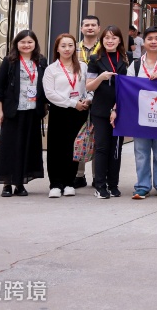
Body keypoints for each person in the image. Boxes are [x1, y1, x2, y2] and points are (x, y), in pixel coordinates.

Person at [0, 30, 47, 197]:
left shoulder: (41, 61)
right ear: (16, 43)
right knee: (9, 148)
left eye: (30, 42)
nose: (26, 45)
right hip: (13, 112)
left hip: (32, 111)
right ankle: (7, 184)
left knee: (27, 148)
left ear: (35, 44)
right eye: (23, 42)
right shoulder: (10, 61)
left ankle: (20, 183)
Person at [43, 33, 90, 198]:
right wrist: (72, 103)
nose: (67, 49)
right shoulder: (51, 69)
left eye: (70, 45)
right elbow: (50, 93)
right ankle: (55, 184)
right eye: (63, 46)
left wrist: (88, 100)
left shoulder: (82, 66)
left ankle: (70, 182)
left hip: (79, 112)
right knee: (56, 148)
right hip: (59, 111)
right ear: (57, 48)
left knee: (74, 148)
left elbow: (88, 87)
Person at [128, 26, 157, 199]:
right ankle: (142, 186)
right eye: (150, 39)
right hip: (141, 115)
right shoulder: (136, 64)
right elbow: (127, 89)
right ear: (144, 42)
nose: (153, 42)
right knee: (141, 151)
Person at [85, 26, 128, 199]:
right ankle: (100, 185)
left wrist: (116, 108)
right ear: (102, 40)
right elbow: (89, 86)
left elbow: (128, 86)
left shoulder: (126, 58)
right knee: (102, 147)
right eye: (107, 38)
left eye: (114, 38)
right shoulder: (95, 59)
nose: (110, 41)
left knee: (116, 149)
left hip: (120, 109)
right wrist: (100, 78)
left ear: (119, 40)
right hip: (100, 109)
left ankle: (113, 184)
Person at [73, 15, 101, 188]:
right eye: (87, 25)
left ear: (99, 28)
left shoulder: (104, 48)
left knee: (98, 138)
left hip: (99, 99)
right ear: (81, 28)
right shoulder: (73, 48)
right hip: (78, 100)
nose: (90, 28)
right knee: (79, 137)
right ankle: (79, 175)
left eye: (93, 25)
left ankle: (97, 176)